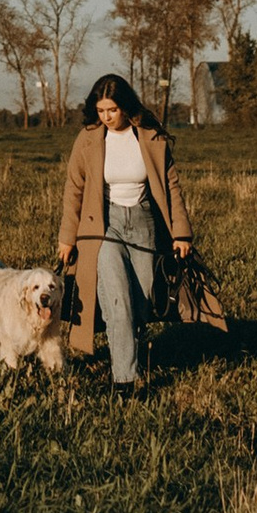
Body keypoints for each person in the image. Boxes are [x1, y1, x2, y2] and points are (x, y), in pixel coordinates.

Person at [58, 72, 198, 398]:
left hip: (144, 221)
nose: (106, 117)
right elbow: (74, 189)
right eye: (101, 110)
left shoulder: (149, 135)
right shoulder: (89, 138)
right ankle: (125, 381)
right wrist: (67, 237)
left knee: (141, 301)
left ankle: (125, 347)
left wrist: (182, 234)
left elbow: (171, 186)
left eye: (112, 110)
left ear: (125, 106)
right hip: (104, 226)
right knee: (117, 299)